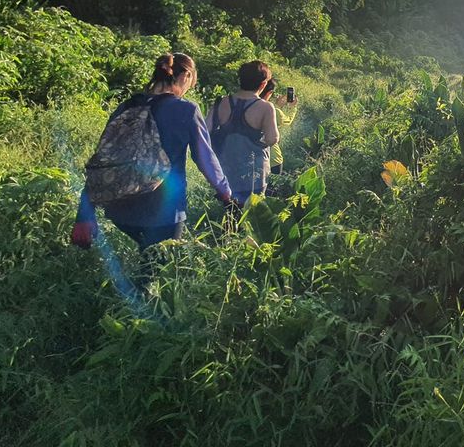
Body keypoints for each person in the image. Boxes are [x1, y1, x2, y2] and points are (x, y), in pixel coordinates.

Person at [70, 53, 236, 286]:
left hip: (121, 208)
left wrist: (84, 212)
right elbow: (205, 158)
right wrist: (226, 192)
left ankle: (130, 306)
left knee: (148, 261)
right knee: (156, 273)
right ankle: (135, 316)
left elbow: (103, 158)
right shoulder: (186, 109)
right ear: (186, 76)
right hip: (164, 210)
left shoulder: (127, 105)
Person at [207, 60, 279, 205]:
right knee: (250, 216)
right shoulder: (266, 107)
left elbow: (205, 130)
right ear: (263, 84)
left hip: (225, 171)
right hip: (254, 175)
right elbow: (272, 139)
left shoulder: (221, 102)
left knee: (229, 214)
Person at [259, 78, 296, 176]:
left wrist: (277, 106)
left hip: (249, 160)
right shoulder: (273, 110)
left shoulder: (243, 106)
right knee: (271, 189)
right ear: (269, 92)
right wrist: (293, 108)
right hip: (273, 160)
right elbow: (286, 121)